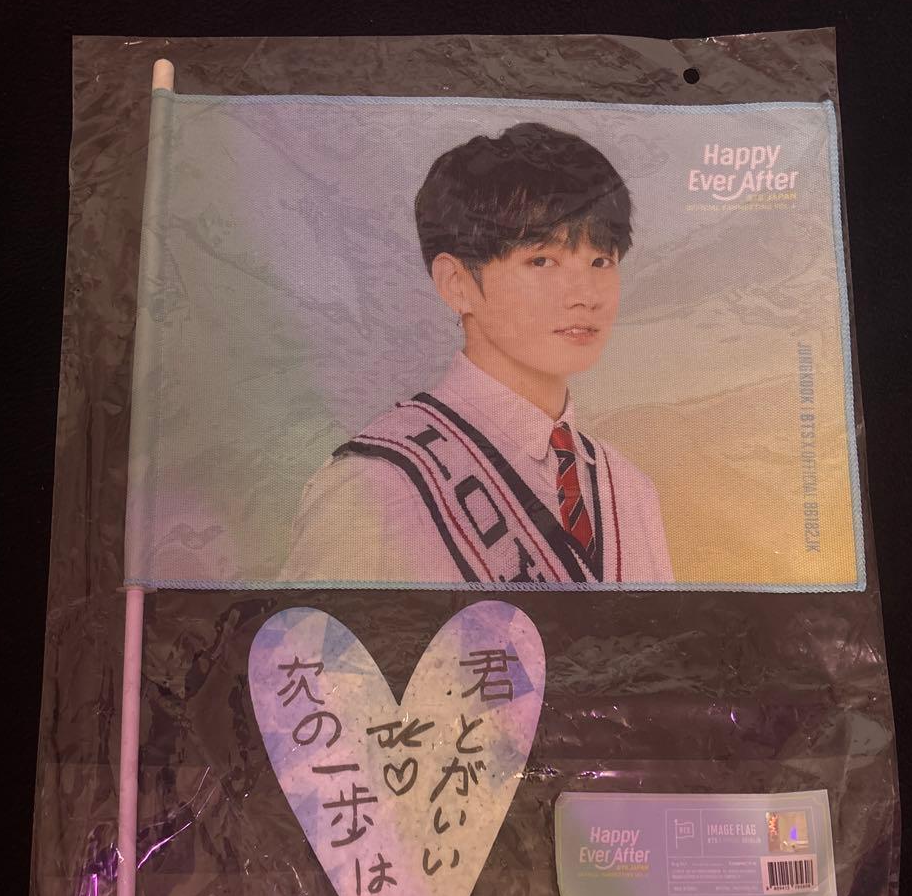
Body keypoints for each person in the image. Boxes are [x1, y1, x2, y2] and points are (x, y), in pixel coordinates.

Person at [279, 121, 673, 586]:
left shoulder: (627, 489)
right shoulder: (377, 484)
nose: (585, 294)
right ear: (457, 283)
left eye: (601, 261)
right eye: (542, 260)